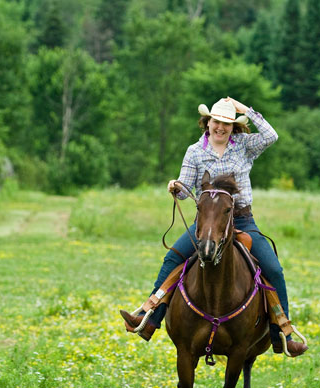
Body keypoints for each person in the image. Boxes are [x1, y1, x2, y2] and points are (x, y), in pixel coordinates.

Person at [119, 97, 307, 357]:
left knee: (273, 268)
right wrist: (177, 187)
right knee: (173, 257)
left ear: (233, 126)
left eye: (227, 123)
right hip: (206, 222)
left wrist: (245, 110)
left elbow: (271, 135)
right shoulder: (194, 151)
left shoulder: (244, 146)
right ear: (208, 122)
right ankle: (149, 318)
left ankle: (282, 333)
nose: (221, 127)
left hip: (241, 220)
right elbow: (186, 190)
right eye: (217, 122)